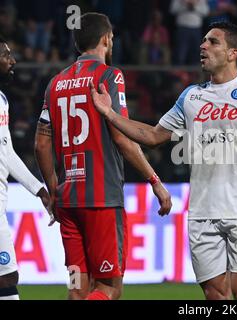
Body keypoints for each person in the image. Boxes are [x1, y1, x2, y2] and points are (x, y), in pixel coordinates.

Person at [90, 21, 237, 300]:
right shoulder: (190, 96)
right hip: (202, 213)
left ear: (233, 53)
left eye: (212, 42)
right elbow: (152, 136)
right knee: (214, 294)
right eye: (203, 41)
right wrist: (110, 114)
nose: (203, 46)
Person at [34, 13, 172, 300]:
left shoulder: (54, 84)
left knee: (77, 288)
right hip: (101, 200)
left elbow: (41, 145)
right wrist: (154, 180)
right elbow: (122, 137)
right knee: (109, 287)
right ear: (106, 39)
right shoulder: (110, 75)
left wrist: (53, 188)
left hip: (68, 201)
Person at [0, 37, 51, 300]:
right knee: (7, 277)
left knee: (6, 277)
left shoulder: (2, 100)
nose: (12, 61)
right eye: (6, 55)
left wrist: (39, 190)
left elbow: (6, 151)